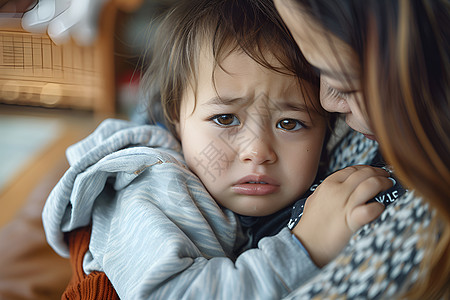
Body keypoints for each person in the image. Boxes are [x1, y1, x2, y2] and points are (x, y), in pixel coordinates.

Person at [41, 0, 395, 298]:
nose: (257, 151)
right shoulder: (155, 189)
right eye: (226, 119)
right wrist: (304, 247)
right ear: (176, 118)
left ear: (327, 132)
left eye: (290, 123)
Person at [273, 0, 450, 298]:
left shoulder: (421, 229)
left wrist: (303, 248)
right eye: (316, 69)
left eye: (344, 82)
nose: (326, 103)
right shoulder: (368, 135)